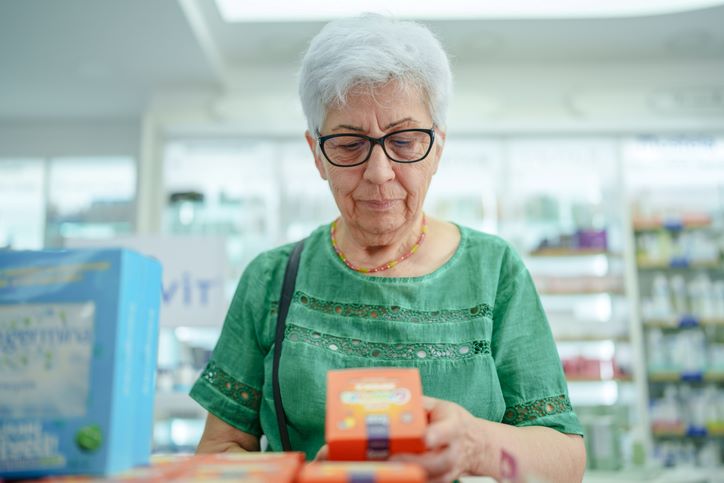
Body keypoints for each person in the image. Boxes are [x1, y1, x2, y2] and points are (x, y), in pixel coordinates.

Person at [191, 13, 586, 482]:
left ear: (437, 146)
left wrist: (475, 446)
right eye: (349, 144)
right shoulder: (271, 278)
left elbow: (565, 462)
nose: (379, 173)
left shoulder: (494, 270)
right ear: (317, 154)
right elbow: (218, 451)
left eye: (403, 140)